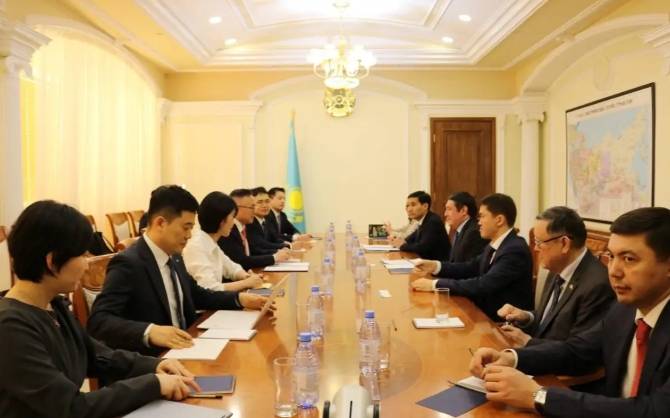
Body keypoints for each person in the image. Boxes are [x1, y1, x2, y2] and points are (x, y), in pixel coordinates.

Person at [0, 200, 199, 418]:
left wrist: (155, 365)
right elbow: (72, 408)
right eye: (81, 255)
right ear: (52, 261)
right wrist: (153, 384)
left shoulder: (53, 305)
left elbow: (98, 356)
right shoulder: (11, 327)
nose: (87, 264)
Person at [469, 207, 670, 418]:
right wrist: (511, 357)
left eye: (629, 259)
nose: (614, 271)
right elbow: (578, 351)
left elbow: (656, 410)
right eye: (611, 256)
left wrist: (538, 396)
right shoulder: (625, 310)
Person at [88, 185, 271, 355]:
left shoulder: (174, 256)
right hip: (157, 359)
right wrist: (150, 331)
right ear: (161, 223)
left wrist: (239, 299)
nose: (189, 235)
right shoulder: (129, 263)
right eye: (186, 228)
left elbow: (197, 294)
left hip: (189, 344)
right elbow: (99, 321)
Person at [497, 206, 614, 348]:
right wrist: (527, 317)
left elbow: (579, 350)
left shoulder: (597, 286)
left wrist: (528, 341)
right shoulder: (556, 267)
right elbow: (551, 320)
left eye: (539, 242)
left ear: (564, 243)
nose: (535, 248)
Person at [412, 193, 533, 320]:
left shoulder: (514, 250)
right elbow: (469, 267)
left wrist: (435, 284)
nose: (478, 222)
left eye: (482, 216)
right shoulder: (496, 244)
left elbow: (483, 284)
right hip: (483, 312)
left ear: (499, 220)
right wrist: (435, 266)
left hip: (499, 322)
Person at [182, 191, 264, 292]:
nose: (233, 222)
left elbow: (232, 268)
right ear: (222, 220)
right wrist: (246, 283)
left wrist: (247, 276)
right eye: (232, 217)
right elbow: (209, 288)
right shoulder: (196, 246)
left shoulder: (211, 242)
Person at [218, 188, 290, 270]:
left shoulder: (242, 227)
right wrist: (274, 258)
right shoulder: (228, 230)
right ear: (236, 208)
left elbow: (254, 250)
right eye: (251, 207)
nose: (254, 210)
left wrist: (277, 253)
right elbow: (241, 261)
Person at [390, 191, 451, 260]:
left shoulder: (433, 221)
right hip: (425, 261)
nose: (409, 209)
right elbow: (408, 239)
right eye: (407, 206)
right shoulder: (422, 221)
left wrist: (402, 245)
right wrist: (397, 241)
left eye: (413, 205)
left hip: (436, 264)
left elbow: (422, 247)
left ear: (425, 206)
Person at [443, 191, 489, 262]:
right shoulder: (460, 230)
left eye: (449, 209)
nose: (445, 214)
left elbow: (469, 267)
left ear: (463, 210)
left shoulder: (474, 233)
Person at [247, 187, 290, 255]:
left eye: (267, 201)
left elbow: (275, 238)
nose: (265, 205)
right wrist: (287, 246)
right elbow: (262, 244)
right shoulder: (249, 222)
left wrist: (287, 244)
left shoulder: (266, 219)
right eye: (260, 202)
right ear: (251, 205)